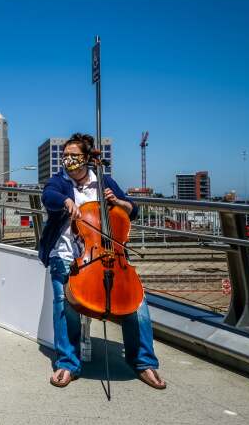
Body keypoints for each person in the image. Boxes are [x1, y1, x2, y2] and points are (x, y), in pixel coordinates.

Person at [38, 132, 166, 390]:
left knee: (136, 305)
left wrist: (118, 202)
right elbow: (48, 196)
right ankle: (68, 364)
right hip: (67, 254)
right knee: (65, 305)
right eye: (65, 157)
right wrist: (66, 201)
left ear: (87, 158)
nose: (68, 161)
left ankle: (144, 362)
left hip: (107, 255)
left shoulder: (104, 181)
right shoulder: (60, 181)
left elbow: (133, 210)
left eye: (74, 156)